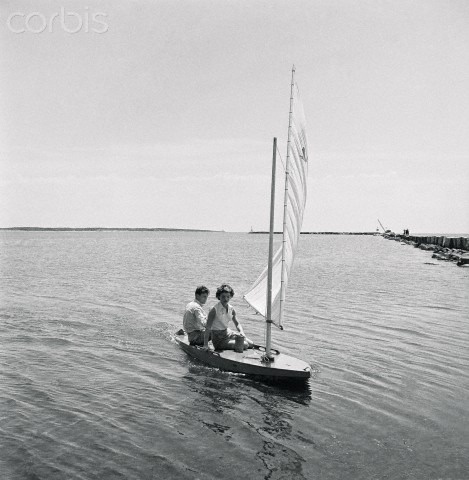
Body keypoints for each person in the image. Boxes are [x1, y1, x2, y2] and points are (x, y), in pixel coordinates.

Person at [203, 284, 253, 351]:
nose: (225, 299)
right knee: (245, 345)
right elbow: (208, 328)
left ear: (231, 296)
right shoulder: (214, 310)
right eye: (223, 296)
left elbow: (237, 323)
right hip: (218, 339)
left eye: (228, 297)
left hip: (228, 333)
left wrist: (241, 332)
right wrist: (206, 345)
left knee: (251, 344)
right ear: (219, 296)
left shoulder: (231, 309)